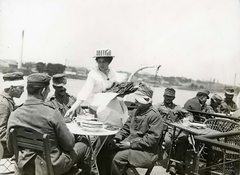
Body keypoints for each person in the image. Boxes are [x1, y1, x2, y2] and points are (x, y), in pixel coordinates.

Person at [6, 73, 91, 175]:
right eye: (48, 89)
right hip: (51, 166)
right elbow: (69, 145)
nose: (49, 91)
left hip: (25, 165)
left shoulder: (15, 114)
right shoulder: (52, 113)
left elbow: (10, 147)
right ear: (42, 91)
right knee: (84, 144)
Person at [110, 84, 163, 175]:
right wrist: (117, 138)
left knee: (117, 158)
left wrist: (130, 145)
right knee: (107, 150)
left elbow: (151, 140)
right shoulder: (136, 111)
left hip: (146, 152)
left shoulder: (155, 116)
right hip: (132, 146)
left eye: (138, 100)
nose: (135, 101)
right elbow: (126, 128)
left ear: (146, 101)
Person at [65, 49, 117, 118]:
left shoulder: (113, 73)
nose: (101, 64)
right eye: (99, 61)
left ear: (109, 62)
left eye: (104, 62)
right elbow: (85, 91)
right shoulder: (93, 74)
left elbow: (115, 88)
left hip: (109, 108)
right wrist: (73, 108)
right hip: (95, 108)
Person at [154, 87, 193, 175]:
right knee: (168, 142)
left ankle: (174, 163)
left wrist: (187, 120)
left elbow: (189, 114)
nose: (168, 98)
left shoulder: (177, 107)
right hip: (162, 130)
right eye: (167, 96)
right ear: (163, 96)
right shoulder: (157, 106)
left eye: (170, 97)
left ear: (173, 98)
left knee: (185, 139)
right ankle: (175, 163)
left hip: (175, 129)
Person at [0, 72, 24, 157]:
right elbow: (1, 133)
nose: (23, 91)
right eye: (21, 88)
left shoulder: (7, 100)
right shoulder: (3, 104)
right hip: (2, 147)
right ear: (12, 88)